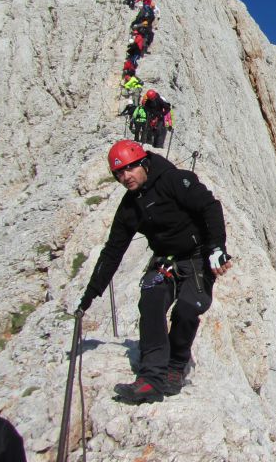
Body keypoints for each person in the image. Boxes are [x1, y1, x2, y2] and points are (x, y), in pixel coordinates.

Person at [77, 141, 231, 404]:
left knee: (188, 309)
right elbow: (112, 252)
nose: (125, 177)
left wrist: (216, 247)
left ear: (143, 163)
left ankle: (176, 364)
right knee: (150, 301)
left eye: (129, 169)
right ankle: (151, 378)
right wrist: (89, 297)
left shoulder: (173, 181)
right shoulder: (129, 208)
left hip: (197, 258)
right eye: (119, 174)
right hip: (166, 260)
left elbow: (210, 206)